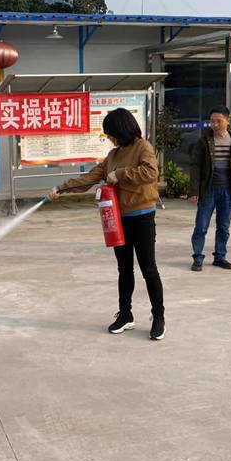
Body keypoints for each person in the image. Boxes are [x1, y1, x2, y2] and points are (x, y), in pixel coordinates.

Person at [46, 108, 165, 340]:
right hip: (119, 219)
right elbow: (90, 177)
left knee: (148, 268)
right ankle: (126, 314)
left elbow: (150, 172)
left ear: (121, 129)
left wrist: (120, 174)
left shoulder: (143, 147)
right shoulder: (112, 155)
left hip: (142, 217)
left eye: (110, 133)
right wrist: (61, 188)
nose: (109, 138)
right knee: (124, 269)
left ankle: (158, 317)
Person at [188, 105, 231, 271]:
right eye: (212, 121)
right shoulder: (204, 141)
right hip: (208, 190)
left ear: (228, 121)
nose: (215, 124)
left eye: (219, 121)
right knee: (201, 226)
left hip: (228, 190)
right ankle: (197, 257)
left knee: (224, 227)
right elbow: (195, 166)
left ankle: (220, 257)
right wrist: (194, 190)